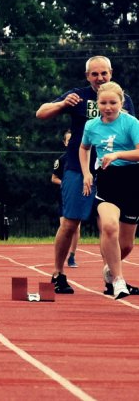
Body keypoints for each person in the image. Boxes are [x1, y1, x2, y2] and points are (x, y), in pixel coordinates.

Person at [36, 55, 135, 294]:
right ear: (87, 76)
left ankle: (111, 277)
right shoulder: (77, 96)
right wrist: (62, 104)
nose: (100, 78)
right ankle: (58, 273)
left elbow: (131, 133)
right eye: (95, 74)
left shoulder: (123, 99)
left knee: (112, 230)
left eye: (104, 73)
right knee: (70, 223)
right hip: (78, 169)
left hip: (113, 173)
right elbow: (41, 113)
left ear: (111, 73)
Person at [80, 82, 139, 300]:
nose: (108, 107)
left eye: (113, 103)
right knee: (109, 225)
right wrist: (86, 172)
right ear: (97, 104)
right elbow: (84, 147)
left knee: (127, 244)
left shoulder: (131, 123)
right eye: (103, 103)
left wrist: (117, 155)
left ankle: (109, 269)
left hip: (132, 180)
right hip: (107, 180)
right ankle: (119, 281)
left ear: (121, 103)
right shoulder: (91, 126)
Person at [51, 130, 81, 268]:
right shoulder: (61, 160)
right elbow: (54, 178)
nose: (70, 143)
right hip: (65, 197)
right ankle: (60, 257)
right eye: (68, 140)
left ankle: (72, 256)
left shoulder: (83, 157)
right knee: (65, 226)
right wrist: (66, 183)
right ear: (64, 143)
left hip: (78, 196)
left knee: (77, 227)